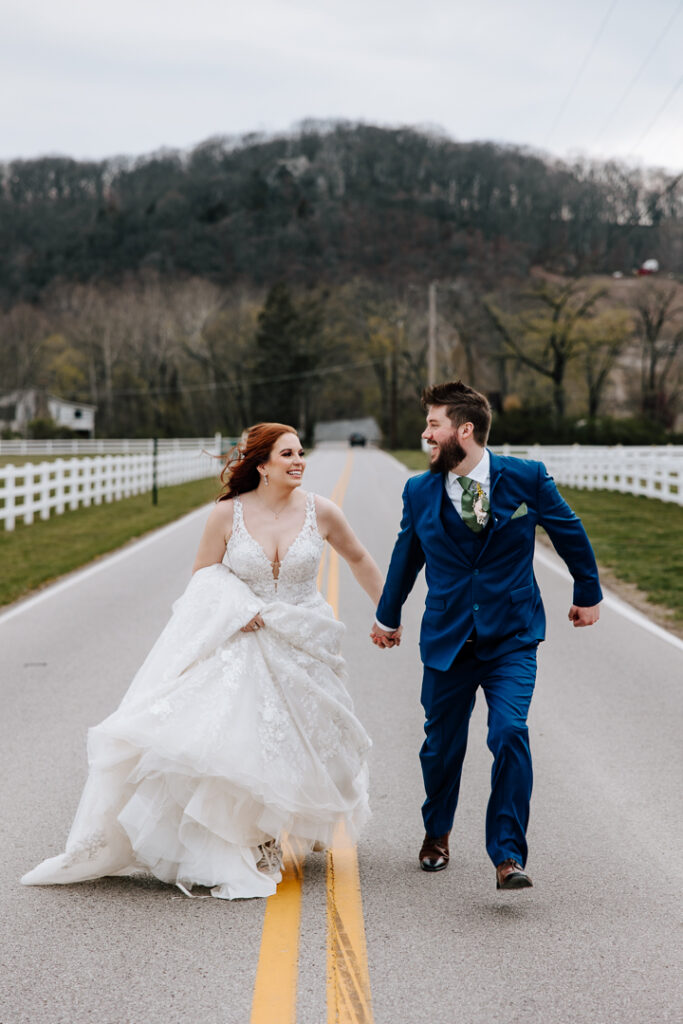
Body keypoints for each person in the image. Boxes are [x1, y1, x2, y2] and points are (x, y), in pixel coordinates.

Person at [22, 423, 384, 900]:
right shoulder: (227, 515)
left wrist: (388, 615)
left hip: (304, 638)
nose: (298, 461)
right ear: (262, 465)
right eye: (287, 454)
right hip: (244, 635)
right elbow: (204, 577)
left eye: (300, 453)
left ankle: (296, 817)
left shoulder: (322, 512)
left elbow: (359, 558)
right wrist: (239, 608)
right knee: (244, 740)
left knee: (308, 738)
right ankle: (260, 837)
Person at [370, 381, 601, 890]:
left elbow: (569, 531)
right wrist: (388, 618)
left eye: (434, 424)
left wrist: (587, 591)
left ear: (464, 430)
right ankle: (437, 831)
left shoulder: (527, 479)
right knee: (440, 748)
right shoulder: (419, 489)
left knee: (510, 733)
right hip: (448, 638)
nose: (425, 433)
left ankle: (508, 855)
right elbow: (406, 558)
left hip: (512, 637)